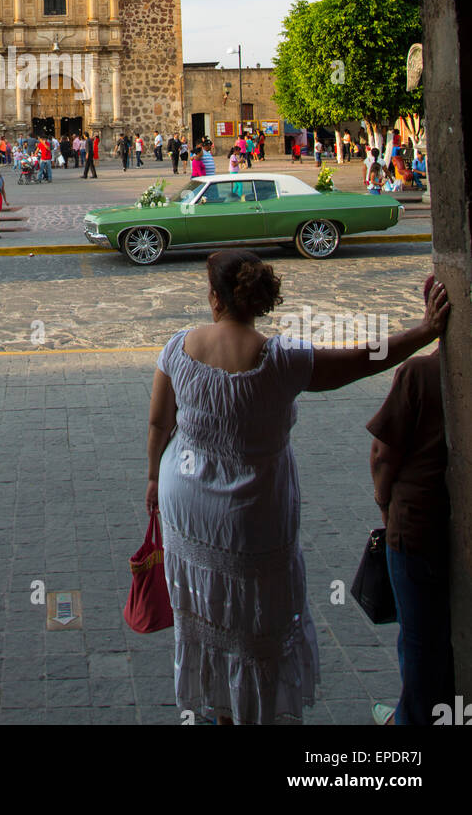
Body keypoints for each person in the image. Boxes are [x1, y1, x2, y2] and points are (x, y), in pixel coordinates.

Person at [146, 249, 449, 725]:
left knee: (206, 610)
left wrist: (149, 478)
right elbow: (364, 359)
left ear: (214, 298)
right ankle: (254, 712)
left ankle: (221, 711)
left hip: (185, 502)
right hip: (252, 514)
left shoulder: (177, 346)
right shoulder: (281, 359)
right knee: (255, 619)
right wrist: (424, 331)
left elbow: (159, 423)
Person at [368, 275, 453, 727]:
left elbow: (383, 455)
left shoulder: (420, 374)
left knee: (418, 637)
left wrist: (384, 504)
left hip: (417, 525)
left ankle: (411, 720)